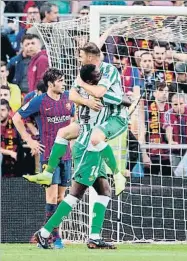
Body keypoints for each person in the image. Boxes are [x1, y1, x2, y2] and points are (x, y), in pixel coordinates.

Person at [33, 63, 127, 250]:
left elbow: (77, 92)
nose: (102, 77)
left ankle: (94, 237)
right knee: (76, 194)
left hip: (87, 143)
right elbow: (119, 99)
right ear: (92, 80)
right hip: (88, 147)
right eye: (98, 75)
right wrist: (126, 101)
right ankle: (44, 233)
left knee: (104, 190)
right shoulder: (98, 96)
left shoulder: (82, 92)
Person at [25, 43, 128, 196]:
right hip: (91, 122)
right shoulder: (84, 73)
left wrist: (82, 86)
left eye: (81, 57)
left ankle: (118, 176)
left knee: (94, 140)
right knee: (62, 132)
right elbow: (71, 95)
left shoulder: (108, 70)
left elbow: (99, 92)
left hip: (111, 117)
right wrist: (86, 101)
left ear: (90, 57)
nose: (79, 60)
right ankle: (48, 174)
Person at [12, 68, 74, 249]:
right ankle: (50, 238)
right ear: (50, 83)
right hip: (48, 156)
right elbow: (16, 118)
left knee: (61, 198)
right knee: (52, 196)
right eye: (60, 80)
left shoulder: (68, 98)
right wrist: (30, 140)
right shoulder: (39, 101)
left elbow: (74, 118)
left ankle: (51, 235)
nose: (63, 83)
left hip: (67, 156)